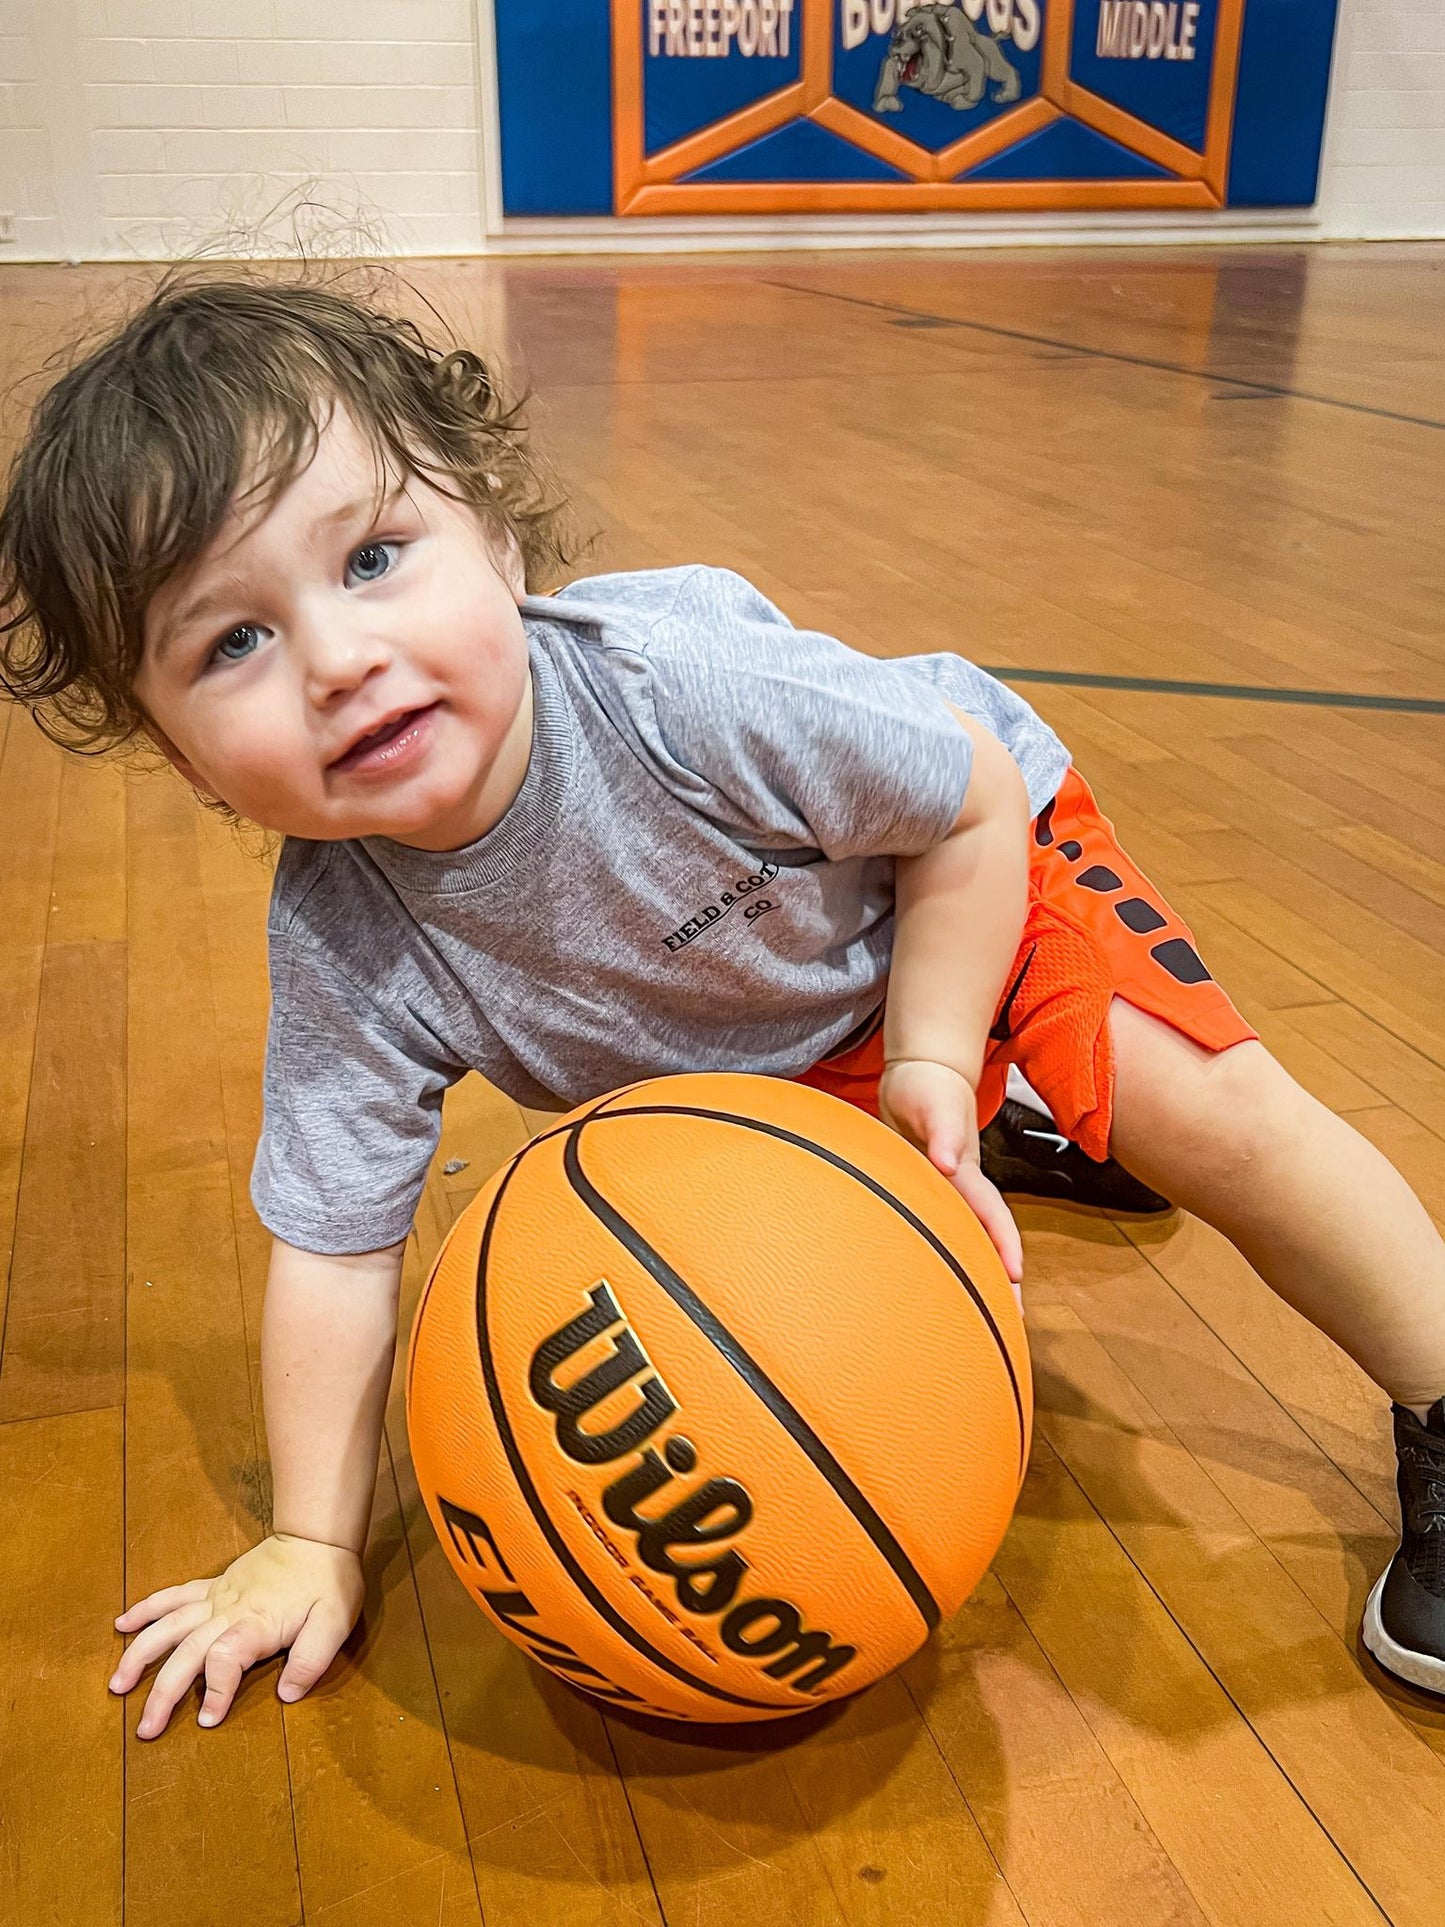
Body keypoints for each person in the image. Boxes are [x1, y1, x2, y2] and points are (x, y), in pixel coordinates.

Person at [2, 275, 1441, 1738]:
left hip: (962, 874)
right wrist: (313, 1539)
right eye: (229, 643)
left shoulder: (673, 690)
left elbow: (968, 804)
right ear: (179, 757)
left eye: (373, 556)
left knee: (1204, 1109)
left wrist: (938, 1054)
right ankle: (1002, 1122)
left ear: (494, 534)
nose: (335, 658)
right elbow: (334, 1245)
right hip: (779, 1049)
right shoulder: (342, 940)